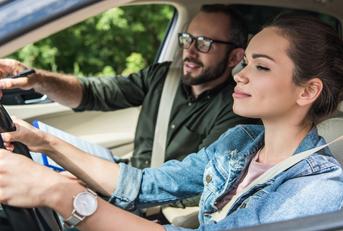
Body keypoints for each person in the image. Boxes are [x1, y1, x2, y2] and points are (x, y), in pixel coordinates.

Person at [0, 12, 342, 231]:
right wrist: (43, 142)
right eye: (247, 63)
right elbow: (145, 184)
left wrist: (60, 194)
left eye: (261, 66)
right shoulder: (240, 143)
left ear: (307, 90)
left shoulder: (318, 192)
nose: (240, 75)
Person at [0, 4, 255, 171]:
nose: (188, 51)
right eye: (187, 39)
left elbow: (194, 182)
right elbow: (94, 94)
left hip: (160, 208)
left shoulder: (236, 111)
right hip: (131, 183)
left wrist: (98, 187)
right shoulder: (162, 76)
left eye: (204, 43)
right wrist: (38, 80)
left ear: (234, 58)